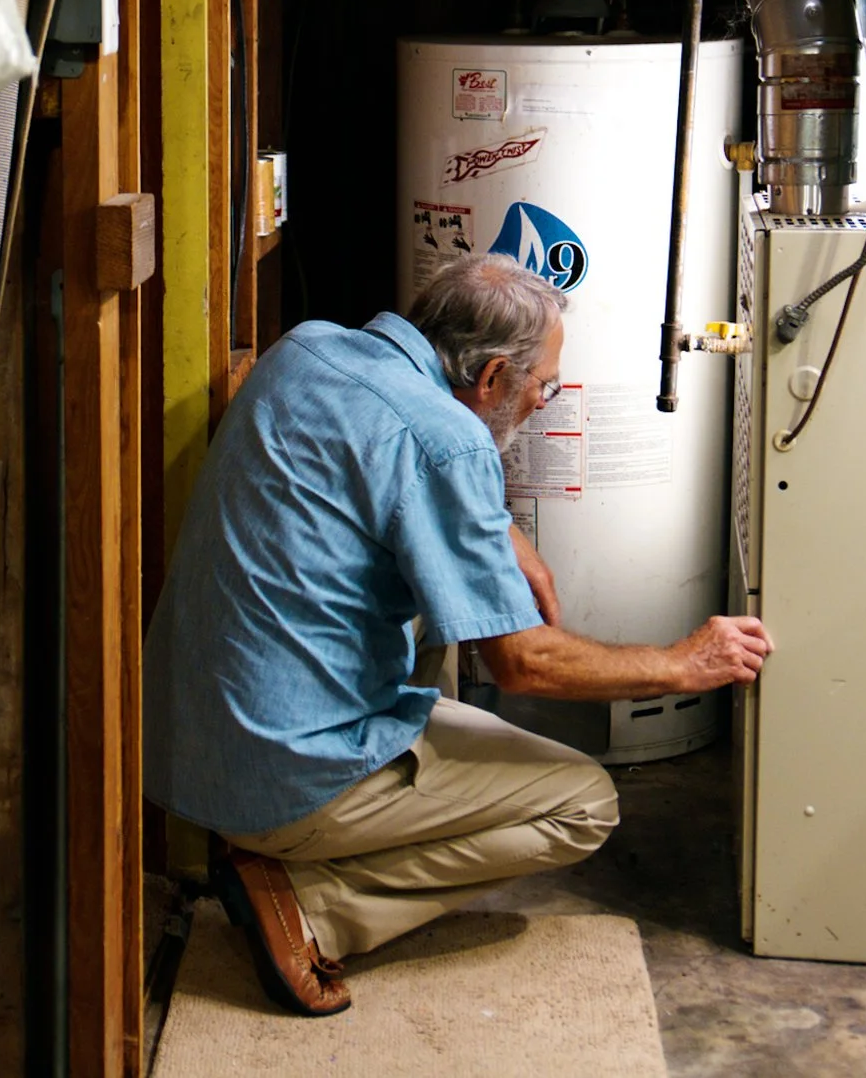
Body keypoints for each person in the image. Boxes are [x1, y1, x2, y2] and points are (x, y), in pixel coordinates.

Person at [141, 252, 775, 1017]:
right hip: (281, 782)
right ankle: (313, 905)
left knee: (428, 604)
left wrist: (500, 525)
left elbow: (391, 460)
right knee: (582, 803)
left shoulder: (306, 348)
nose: (543, 401)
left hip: (181, 750)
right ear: (491, 378)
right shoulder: (449, 442)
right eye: (541, 385)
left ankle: (305, 841)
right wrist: (680, 665)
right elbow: (521, 663)